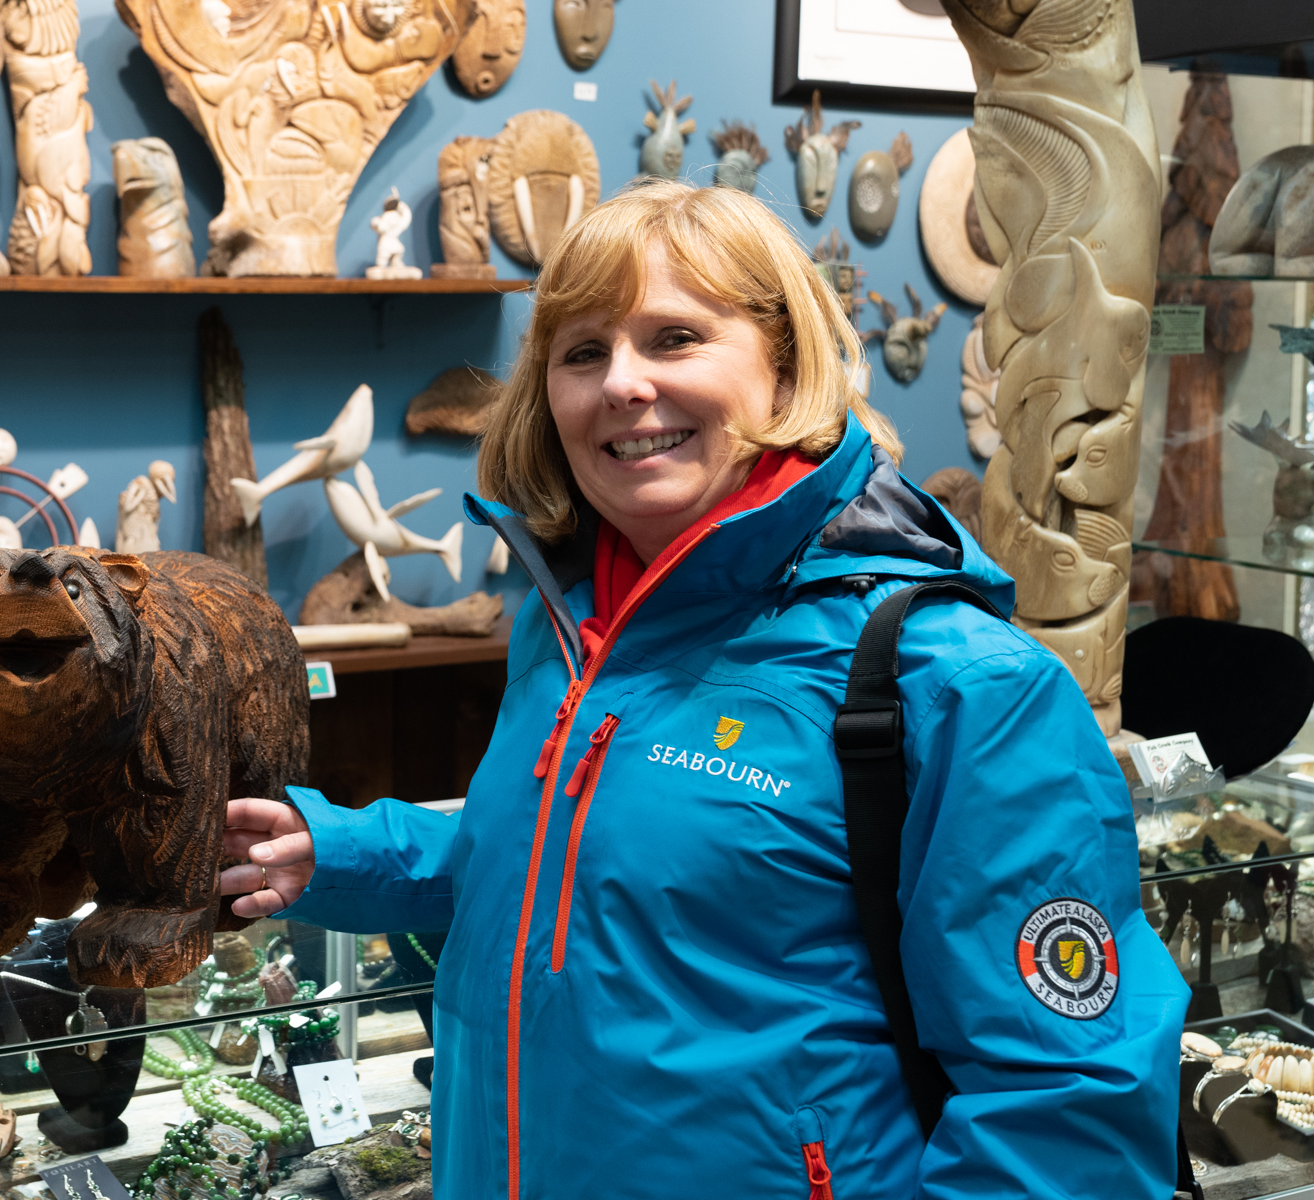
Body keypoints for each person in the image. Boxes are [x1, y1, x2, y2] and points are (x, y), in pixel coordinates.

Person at [220, 181, 1186, 1199]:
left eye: (674, 337)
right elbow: (567, 879)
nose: (622, 385)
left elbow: (1068, 1103)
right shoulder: (564, 633)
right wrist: (336, 851)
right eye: (582, 351)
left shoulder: (956, 684)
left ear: (782, 364)